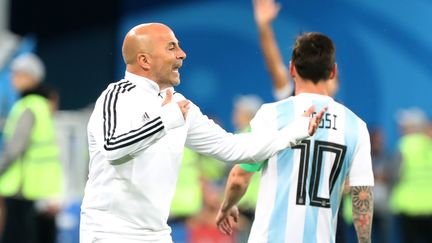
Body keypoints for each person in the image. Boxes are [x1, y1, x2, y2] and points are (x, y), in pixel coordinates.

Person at [80, 22, 326, 243]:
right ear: (145, 60)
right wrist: (165, 120)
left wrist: (293, 133)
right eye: (171, 47)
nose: (182, 54)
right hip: (109, 233)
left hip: (156, 234)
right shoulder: (117, 97)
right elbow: (114, 149)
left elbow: (233, 147)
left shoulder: (179, 105)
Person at [215, 32, 374, 243]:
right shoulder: (356, 126)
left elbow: (239, 178)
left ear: (292, 68)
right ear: (333, 72)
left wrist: (226, 206)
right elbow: (362, 196)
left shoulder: (271, 115)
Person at [0, 53, 64, 243]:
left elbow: (14, 149)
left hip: (22, 189)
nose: (12, 78)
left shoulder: (27, 106)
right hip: (42, 190)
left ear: (29, 76)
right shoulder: (43, 105)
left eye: (16, 73)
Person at [253, 0, 339, 100]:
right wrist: (264, 26)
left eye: (324, 71)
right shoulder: (289, 99)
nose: (317, 75)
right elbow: (274, 64)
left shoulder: (344, 114)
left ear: (333, 74)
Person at [390, 107, 432, 243]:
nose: (400, 129)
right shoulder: (429, 145)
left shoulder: (404, 146)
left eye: (404, 126)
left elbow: (394, 175)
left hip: (407, 207)